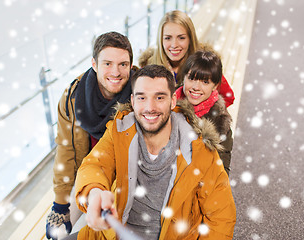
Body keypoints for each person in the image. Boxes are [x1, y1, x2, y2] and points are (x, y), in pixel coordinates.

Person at [74, 64, 236, 240]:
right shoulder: (118, 132)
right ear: (133, 101)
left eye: (159, 97)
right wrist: (94, 192)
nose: (150, 107)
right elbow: (94, 165)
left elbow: (221, 216)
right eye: (142, 98)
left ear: (173, 101)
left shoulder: (200, 149)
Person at [46, 31, 135, 240]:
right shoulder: (73, 99)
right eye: (107, 64)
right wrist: (60, 203)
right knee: (54, 234)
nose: (116, 71)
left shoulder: (138, 95)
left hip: (123, 177)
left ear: (131, 66)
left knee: (104, 229)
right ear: (94, 64)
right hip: (88, 174)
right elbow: (65, 150)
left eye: (123, 64)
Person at [138, 10, 235, 107]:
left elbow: (228, 97)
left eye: (181, 38)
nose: (174, 45)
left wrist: (199, 113)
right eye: (168, 38)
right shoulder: (147, 69)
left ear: (190, 39)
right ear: (161, 40)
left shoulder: (204, 64)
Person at [176, 49, 233, 175]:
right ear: (183, 78)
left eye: (205, 82)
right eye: (191, 78)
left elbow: (221, 173)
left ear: (215, 86)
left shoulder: (220, 122)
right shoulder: (167, 104)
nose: (196, 87)